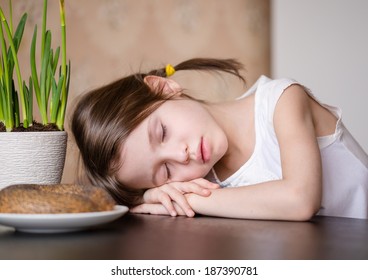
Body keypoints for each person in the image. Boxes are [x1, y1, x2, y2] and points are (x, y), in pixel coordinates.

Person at [71, 58, 368, 220]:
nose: (180, 155)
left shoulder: (283, 101)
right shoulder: (205, 178)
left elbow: (300, 201)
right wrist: (149, 196)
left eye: (162, 133)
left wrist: (187, 200)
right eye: (164, 172)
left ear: (163, 87)